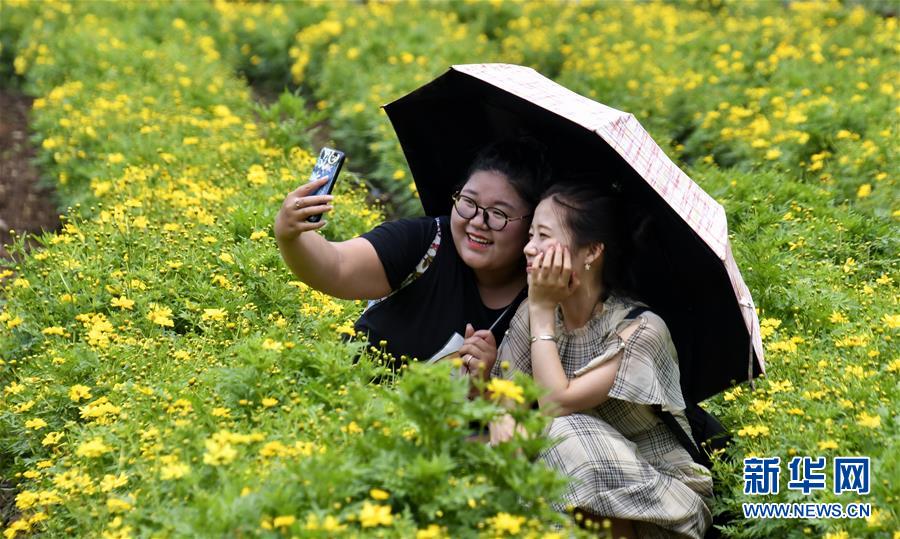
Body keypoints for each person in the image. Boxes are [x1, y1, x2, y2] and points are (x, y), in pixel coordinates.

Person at [490, 182, 713, 538]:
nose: (529, 248)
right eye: (530, 234)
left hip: (662, 505)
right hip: (572, 483)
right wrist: (505, 427)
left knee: (562, 431)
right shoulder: (532, 314)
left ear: (591, 251)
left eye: (544, 236)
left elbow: (555, 403)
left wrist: (542, 310)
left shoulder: (641, 330)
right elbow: (505, 401)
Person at [274, 139, 550, 375]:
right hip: (350, 401)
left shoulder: (539, 299)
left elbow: (528, 413)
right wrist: (290, 235)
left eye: (499, 213)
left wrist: (485, 384)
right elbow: (336, 266)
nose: (478, 221)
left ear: (533, 224)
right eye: (469, 202)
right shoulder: (428, 241)